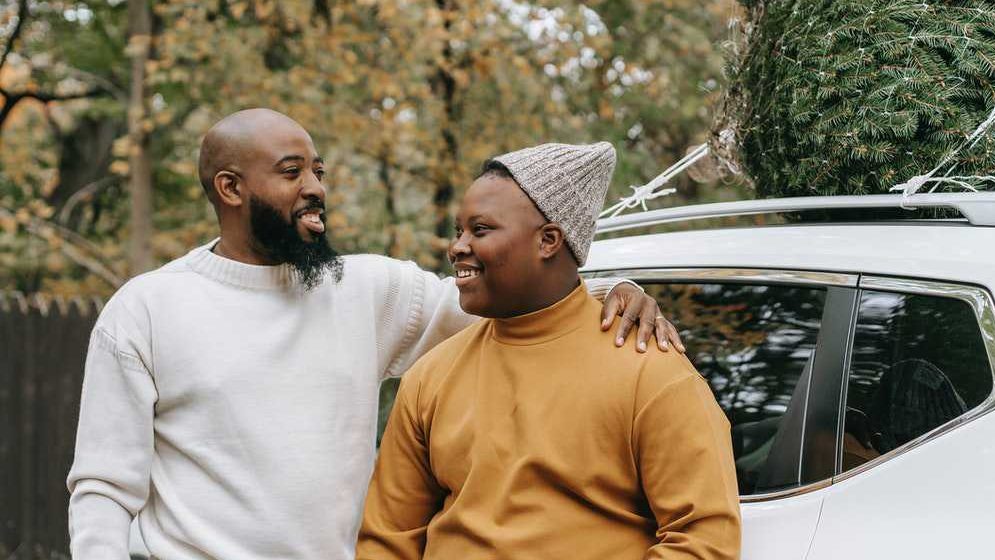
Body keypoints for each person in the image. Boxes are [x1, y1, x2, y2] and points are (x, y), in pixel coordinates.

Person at [65, 109, 685, 559]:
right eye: (291, 172)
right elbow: (103, 489)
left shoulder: (366, 290)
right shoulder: (147, 309)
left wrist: (612, 291)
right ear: (230, 188)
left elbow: (519, 300)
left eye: (318, 170)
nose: (316, 188)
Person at [358, 142, 741, 559]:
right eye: (458, 231)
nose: (457, 247)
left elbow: (704, 541)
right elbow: (387, 541)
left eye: (480, 230)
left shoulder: (650, 371)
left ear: (549, 241)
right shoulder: (429, 377)